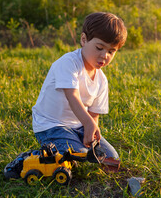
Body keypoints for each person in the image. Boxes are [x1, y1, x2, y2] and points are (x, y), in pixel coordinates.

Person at [32, 12, 127, 160]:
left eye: (111, 51)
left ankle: (74, 148)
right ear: (84, 39)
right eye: (99, 48)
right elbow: (72, 96)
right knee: (79, 156)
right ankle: (38, 157)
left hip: (79, 126)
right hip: (52, 125)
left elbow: (94, 115)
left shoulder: (101, 80)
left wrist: (92, 134)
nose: (105, 55)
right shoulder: (68, 63)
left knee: (110, 157)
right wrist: (88, 123)